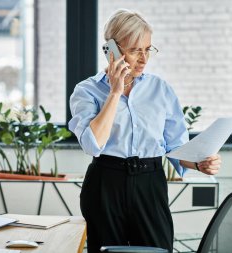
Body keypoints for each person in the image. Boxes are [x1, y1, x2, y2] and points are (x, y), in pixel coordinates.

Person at [68, 9, 221, 253]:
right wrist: (115, 92)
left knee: (158, 250)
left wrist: (198, 164)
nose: (143, 59)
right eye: (134, 50)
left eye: (147, 49)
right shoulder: (86, 91)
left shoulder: (160, 89)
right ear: (111, 50)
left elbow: (175, 147)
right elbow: (92, 144)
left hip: (150, 182)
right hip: (105, 183)